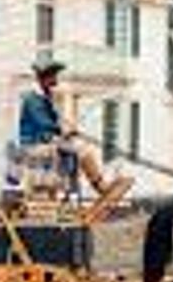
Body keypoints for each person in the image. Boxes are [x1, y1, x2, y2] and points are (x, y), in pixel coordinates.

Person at [18, 60, 126, 196]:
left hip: (45, 141)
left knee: (80, 147)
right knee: (81, 148)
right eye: (53, 77)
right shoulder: (32, 99)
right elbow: (43, 123)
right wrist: (63, 131)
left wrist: (67, 130)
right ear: (43, 79)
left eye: (55, 76)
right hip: (34, 143)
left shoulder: (44, 97)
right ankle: (100, 186)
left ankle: (98, 184)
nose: (55, 81)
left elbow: (54, 122)